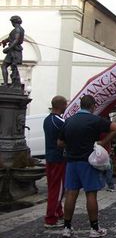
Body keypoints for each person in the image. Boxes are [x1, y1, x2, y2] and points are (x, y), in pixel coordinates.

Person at [58, 95, 116, 238]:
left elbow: (60, 143)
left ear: (80, 105)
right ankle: (94, 228)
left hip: (71, 162)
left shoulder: (68, 121)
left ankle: (67, 228)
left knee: (71, 194)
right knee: (91, 194)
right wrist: (102, 142)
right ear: (92, 106)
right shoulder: (95, 120)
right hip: (88, 162)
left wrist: (72, 145)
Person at [43, 95, 68, 228]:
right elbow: (63, 140)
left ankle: (58, 212)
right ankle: (51, 218)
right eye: (65, 104)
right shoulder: (60, 121)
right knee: (57, 188)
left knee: (53, 186)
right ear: (61, 105)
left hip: (50, 157)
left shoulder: (47, 120)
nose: (66, 107)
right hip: (58, 158)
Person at [1, 15, 24, 87]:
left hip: (14, 51)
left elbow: (16, 40)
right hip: (14, 51)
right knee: (9, 67)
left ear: (13, 22)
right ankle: (11, 83)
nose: (11, 23)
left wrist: (8, 48)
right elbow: (10, 38)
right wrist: (4, 41)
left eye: (11, 22)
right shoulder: (19, 29)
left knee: (4, 66)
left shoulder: (17, 29)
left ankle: (6, 84)